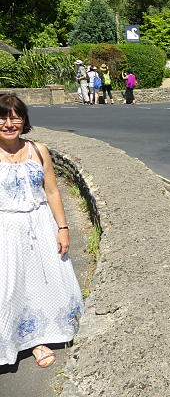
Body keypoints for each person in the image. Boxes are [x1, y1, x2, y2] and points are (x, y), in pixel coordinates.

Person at [0, 94, 83, 368]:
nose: (9, 123)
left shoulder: (38, 150)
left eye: (15, 117)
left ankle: (38, 340)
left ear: (24, 120)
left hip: (40, 224)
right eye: (2, 117)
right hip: (6, 228)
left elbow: (52, 191)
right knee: (8, 287)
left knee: (40, 282)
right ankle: (8, 340)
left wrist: (63, 228)